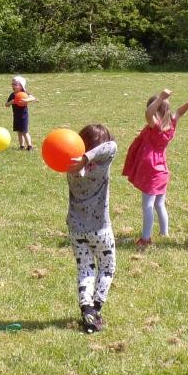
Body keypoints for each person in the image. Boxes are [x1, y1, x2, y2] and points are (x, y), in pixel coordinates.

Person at [122, 88, 188, 247]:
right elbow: (178, 112)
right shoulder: (171, 125)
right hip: (162, 170)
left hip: (151, 170)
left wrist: (161, 97)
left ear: (156, 111)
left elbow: (148, 114)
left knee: (148, 205)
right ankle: (164, 232)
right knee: (159, 204)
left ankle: (146, 238)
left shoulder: (155, 126)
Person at [66, 124, 118, 333]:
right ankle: (95, 307)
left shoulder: (70, 167)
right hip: (100, 228)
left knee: (85, 269)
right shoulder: (101, 165)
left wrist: (81, 157)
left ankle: (86, 308)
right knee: (107, 267)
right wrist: (88, 157)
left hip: (76, 228)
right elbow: (112, 146)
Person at [5, 75, 36, 149]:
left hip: (23, 116)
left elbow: (33, 98)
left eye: (15, 84)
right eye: (12, 84)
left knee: (24, 132)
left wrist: (26, 100)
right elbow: (6, 104)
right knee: (19, 132)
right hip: (16, 116)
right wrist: (11, 102)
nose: (13, 86)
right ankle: (21, 146)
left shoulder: (24, 94)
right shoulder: (12, 95)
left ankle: (29, 146)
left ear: (21, 86)